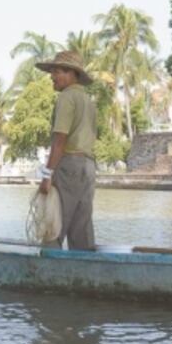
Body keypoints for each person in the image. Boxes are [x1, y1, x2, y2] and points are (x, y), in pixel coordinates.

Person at [35, 51, 98, 250]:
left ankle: (48, 271)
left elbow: (60, 140)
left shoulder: (66, 97)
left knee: (54, 221)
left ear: (71, 73)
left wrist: (47, 175)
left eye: (57, 72)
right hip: (88, 167)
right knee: (82, 225)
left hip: (69, 165)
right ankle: (83, 272)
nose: (52, 77)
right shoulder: (88, 101)